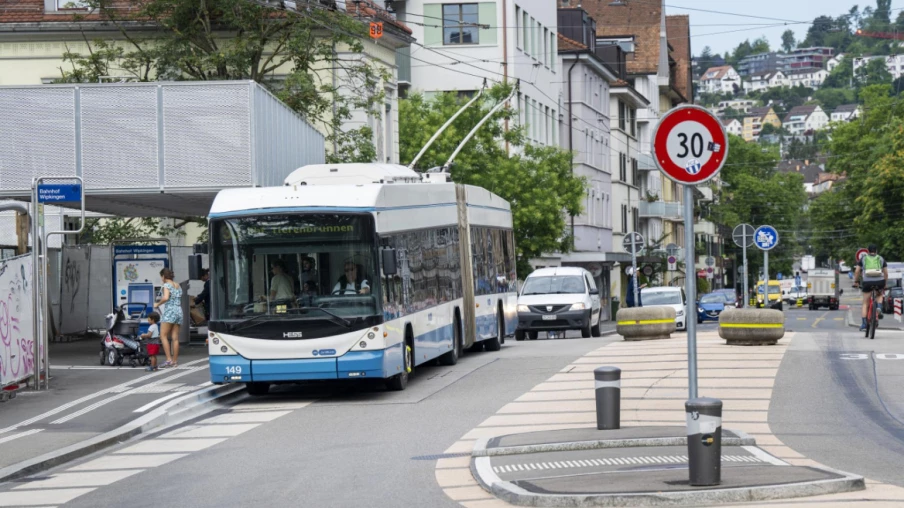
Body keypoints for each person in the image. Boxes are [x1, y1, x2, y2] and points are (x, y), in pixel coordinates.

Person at [853, 244, 889, 331]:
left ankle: (864, 324)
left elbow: (857, 271)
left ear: (868, 251)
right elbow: (886, 273)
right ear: (876, 251)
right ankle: (879, 307)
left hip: (867, 282)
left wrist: (856, 282)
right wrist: (885, 283)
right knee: (879, 294)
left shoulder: (863, 258)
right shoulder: (881, 258)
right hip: (879, 281)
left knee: (865, 303)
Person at [154, 268, 183, 369]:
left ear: (163, 276)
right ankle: (174, 362)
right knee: (175, 338)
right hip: (179, 311)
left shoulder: (166, 285)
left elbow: (166, 297)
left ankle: (168, 359)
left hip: (169, 311)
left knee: (163, 335)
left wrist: (157, 303)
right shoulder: (177, 285)